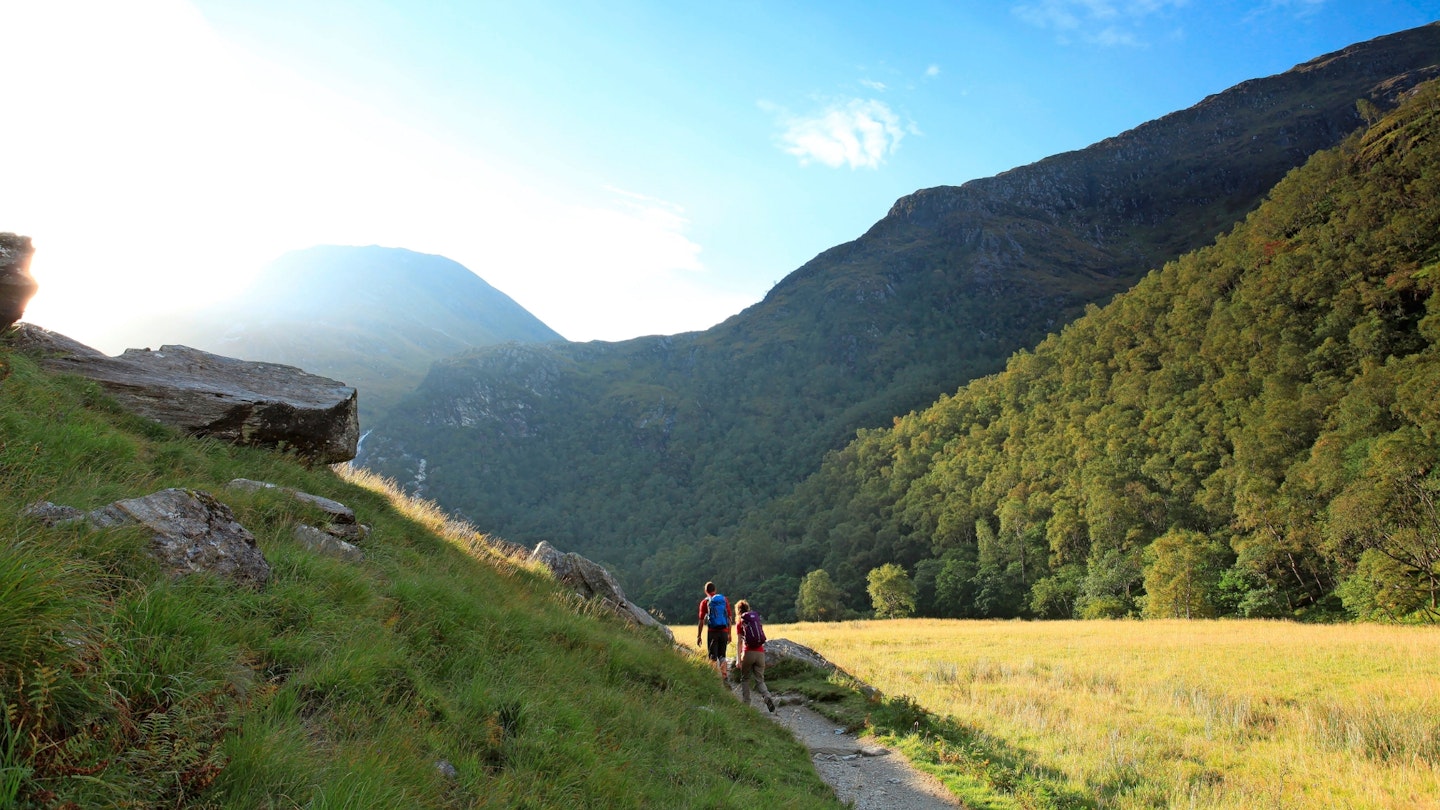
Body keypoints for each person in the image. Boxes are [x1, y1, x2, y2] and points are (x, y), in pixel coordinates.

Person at [734, 599, 776, 713]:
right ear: (748, 608)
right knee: (760, 680)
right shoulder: (755, 620)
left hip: (748, 653)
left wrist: (738, 659)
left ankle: (746, 704)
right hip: (760, 653)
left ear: (738, 610)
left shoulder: (740, 622)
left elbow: (739, 642)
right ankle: (767, 697)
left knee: (745, 678)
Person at [696, 581, 731, 681]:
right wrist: (729, 634)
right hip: (724, 631)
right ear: (715, 590)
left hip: (712, 632)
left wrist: (699, 636)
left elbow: (701, 621)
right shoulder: (724, 600)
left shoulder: (705, 602)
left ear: (705, 591)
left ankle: (714, 679)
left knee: (712, 656)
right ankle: (725, 677)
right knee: (722, 655)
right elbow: (729, 618)